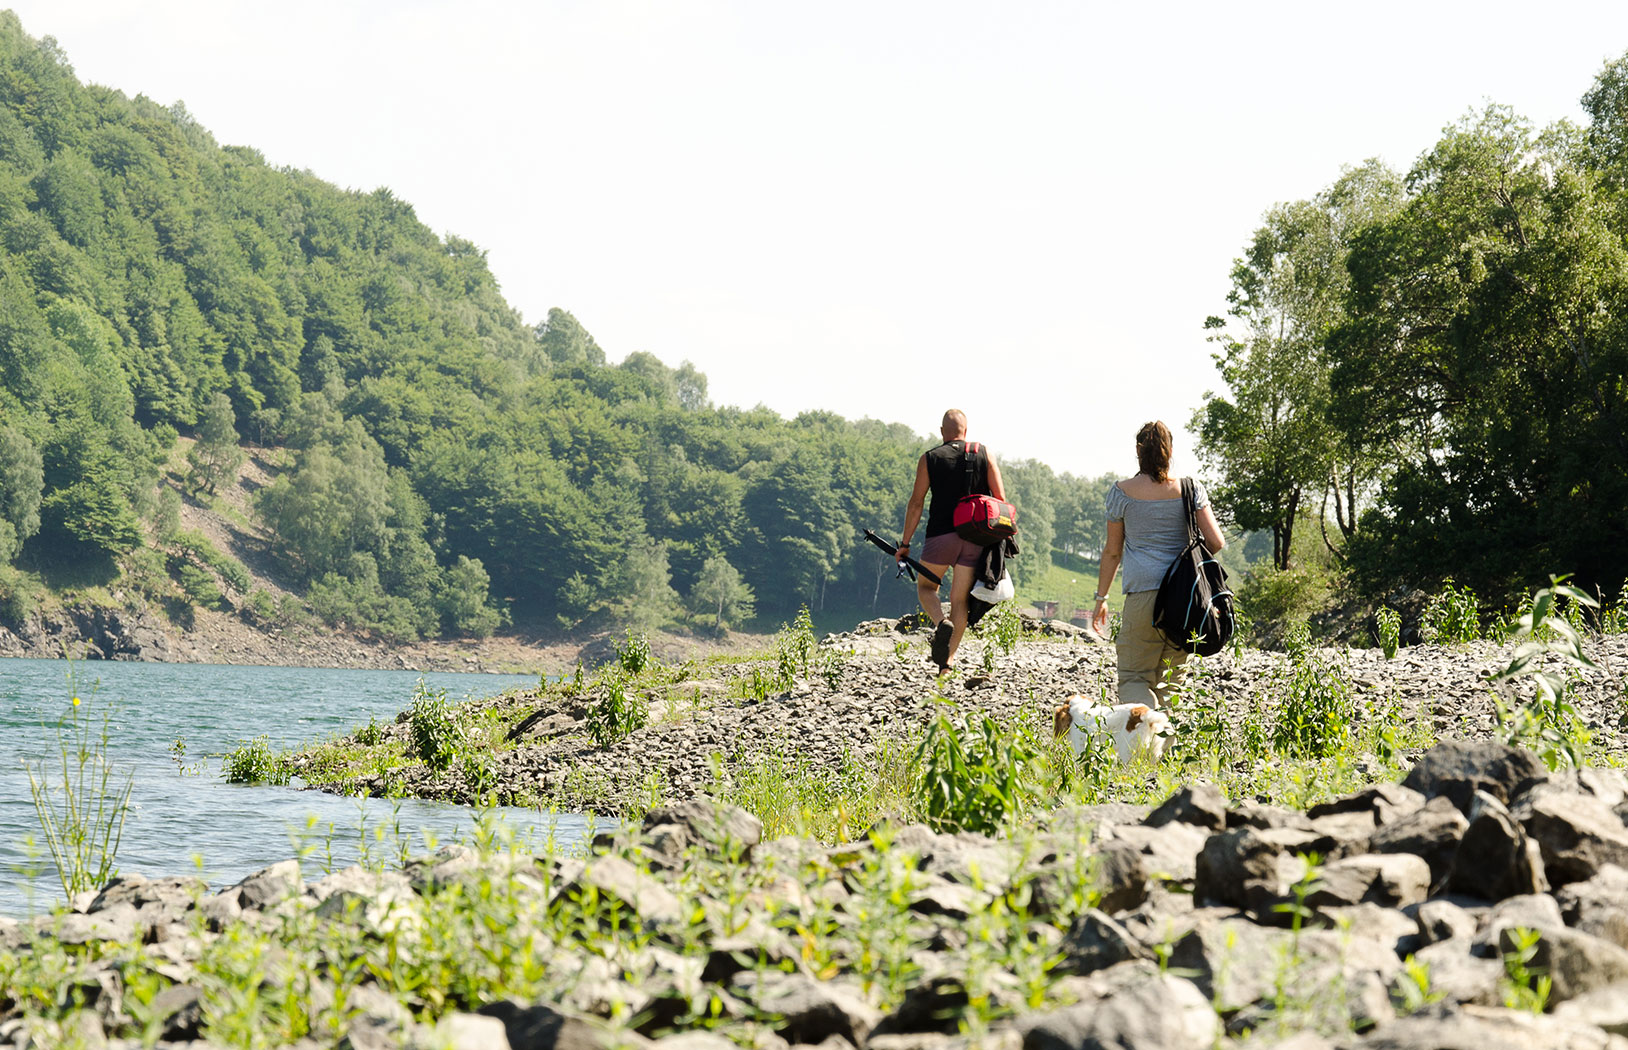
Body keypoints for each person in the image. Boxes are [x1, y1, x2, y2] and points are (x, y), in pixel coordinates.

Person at [1089, 421, 1225, 708]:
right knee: (1170, 683)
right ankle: (1163, 747)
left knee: (1134, 678)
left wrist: (1101, 598)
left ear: (1138, 451)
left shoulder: (1121, 492)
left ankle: (1142, 742)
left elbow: (1113, 552)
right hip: (1186, 599)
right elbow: (1216, 542)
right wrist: (1189, 561)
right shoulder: (1190, 489)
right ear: (1170, 450)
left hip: (1143, 597)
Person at [897, 409, 1007, 673]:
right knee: (960, 602)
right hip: (974, 538)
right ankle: (947, 663)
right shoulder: (984, 453)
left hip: (940, 536)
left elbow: (916, 503)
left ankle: (939, 622)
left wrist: (905, 543)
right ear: (965, 431)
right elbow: (1000, 501)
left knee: (926, 588)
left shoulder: (930, 458)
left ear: (942, 432)